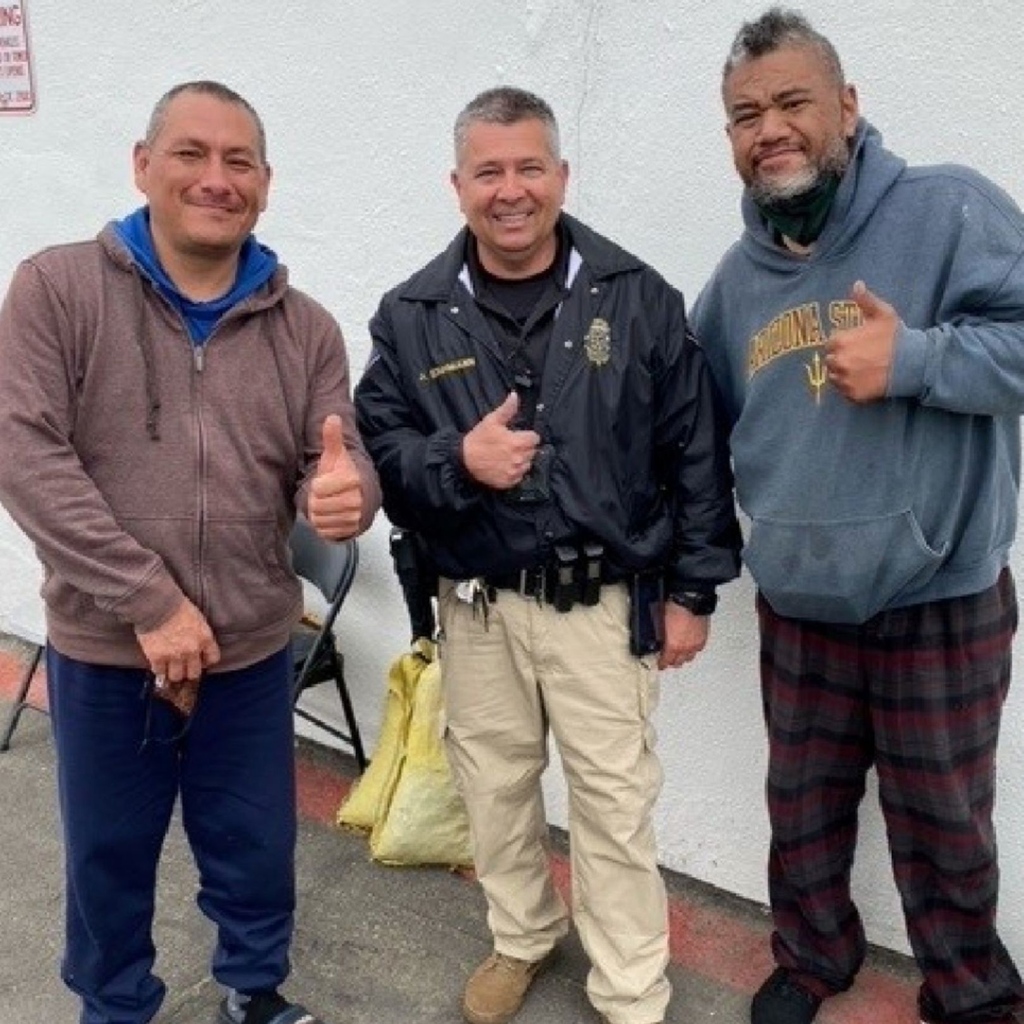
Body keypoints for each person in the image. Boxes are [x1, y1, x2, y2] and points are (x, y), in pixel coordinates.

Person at [355, 85, 741, 1024]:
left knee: (613, 804)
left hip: (601, 606)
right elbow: (382, 454)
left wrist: (694, 591)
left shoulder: (639, 298)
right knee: (494, 790)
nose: (511, 190)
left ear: (562, 175)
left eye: (530, 167)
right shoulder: (411, 314)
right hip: (477, 606)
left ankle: (631, 989)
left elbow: (695, 451)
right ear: (457, 186)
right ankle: (523, 936)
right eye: (488, 171)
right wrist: (460, 459)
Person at [0, 80, 380, 1024]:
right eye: (191, 154)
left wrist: (347, 497)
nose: (217, 178)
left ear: (265, 184)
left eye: (239, 161)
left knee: (255, 848)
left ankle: (253, 991)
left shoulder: (306, 328)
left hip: (248, 650)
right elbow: (23, 454)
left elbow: (335, 460)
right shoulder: (58, 290)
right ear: (143, 165)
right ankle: (115, 1007)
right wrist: (150, 600)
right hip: (107, 648)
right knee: (108, 856)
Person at [691, 8, 1024, 1024]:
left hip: (939, 592)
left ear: (846, 106)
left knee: (944, 821)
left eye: (792, 102)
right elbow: (696, 440)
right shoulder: (733, 288)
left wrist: (916, 359)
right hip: (801, 604)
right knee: (802, 810)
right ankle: (812, 957)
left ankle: (968, 990)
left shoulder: (948, 211)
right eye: (746, 114)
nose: (770, 129)